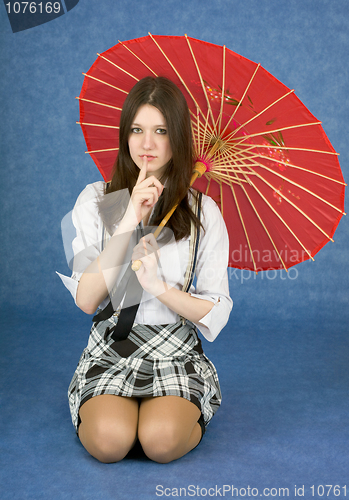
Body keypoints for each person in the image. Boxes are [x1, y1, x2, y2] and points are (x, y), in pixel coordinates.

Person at [58, 76, 232, 464]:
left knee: (160, 443)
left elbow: (217, 307)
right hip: (111, 347)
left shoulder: (204, 213)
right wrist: (128, 221)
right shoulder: (96, 199)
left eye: (161, 131)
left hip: (175, 349)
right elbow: (87, 301)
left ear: (178, 138)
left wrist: (159, 287)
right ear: (125, 135)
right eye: (137, 129)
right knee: (109, 443)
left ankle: (181, 404)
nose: (147, 143)